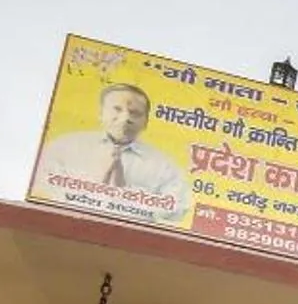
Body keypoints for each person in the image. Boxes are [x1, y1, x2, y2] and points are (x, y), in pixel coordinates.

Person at [31, 81, 188, 226]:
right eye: (117, 109)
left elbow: (178, 210)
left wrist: (131, 199)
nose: (126, 118)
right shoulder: (66, 146)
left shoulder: (164, 166)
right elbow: (43, 185)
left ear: (146, 121)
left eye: (135, 113)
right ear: (101, 112)